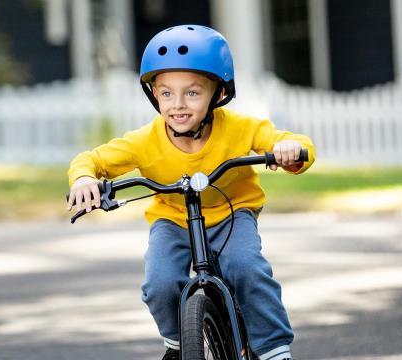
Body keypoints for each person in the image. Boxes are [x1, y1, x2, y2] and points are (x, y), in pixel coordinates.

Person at [66, 25, 315, 360]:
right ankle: (178, 341)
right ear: (154, 94)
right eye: (166, 93)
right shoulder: (145, 141)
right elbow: (92, 159)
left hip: (232, 214)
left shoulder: (240, 128)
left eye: (192, 93)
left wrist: (289, 150)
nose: (177, 105)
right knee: (160, 283)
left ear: (218, 93)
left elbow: (298, 146)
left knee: (246, 268)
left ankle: (273, 348)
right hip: (173, 220)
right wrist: (84, 178)